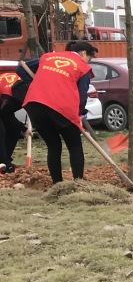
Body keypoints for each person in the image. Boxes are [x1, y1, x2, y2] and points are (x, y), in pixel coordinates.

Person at [22, 41, 97, 185]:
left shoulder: (48, 57)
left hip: (35, 104)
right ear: (83, 53)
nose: (89, 62)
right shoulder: (82, 67)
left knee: (53, 145)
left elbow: (21, 68)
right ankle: (78, 183)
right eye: (90, 58)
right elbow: (82, 97)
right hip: (61, 107)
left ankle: (57, 184)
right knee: (74, 144)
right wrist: (79, 114)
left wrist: (34, 83)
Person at [0, 69, 27, 173]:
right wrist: (24, 129)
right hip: (3, 104)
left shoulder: (23, 82)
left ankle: (6, 158)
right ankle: (4, 163)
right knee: (1, 131)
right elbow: (5, 115)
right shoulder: (11, 97)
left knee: (14, 130)